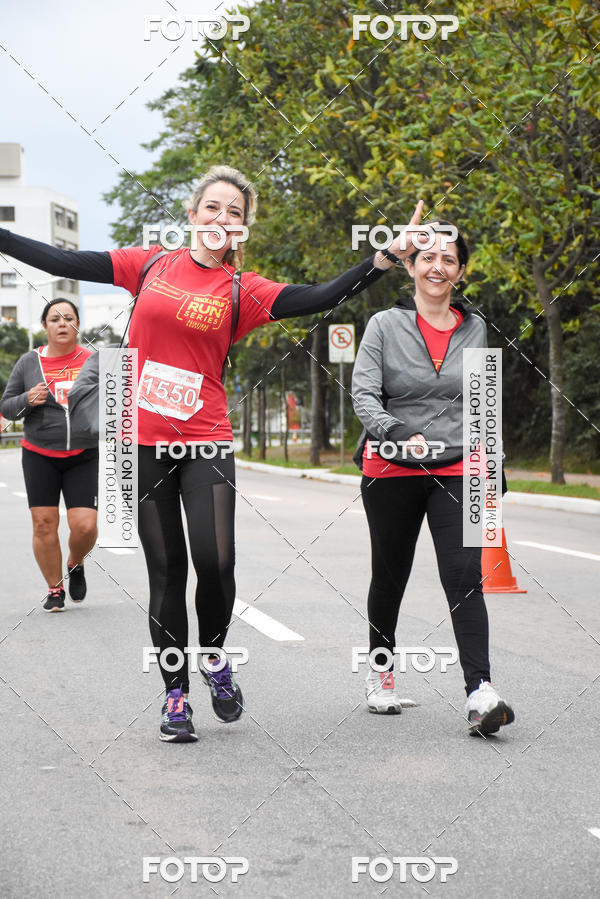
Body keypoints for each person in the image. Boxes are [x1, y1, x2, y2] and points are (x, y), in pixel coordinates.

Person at [0, 166, 426, 742]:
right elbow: (60, 262)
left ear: (243, 229)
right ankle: (176, 698)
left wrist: (380, 260)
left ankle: (216, 658)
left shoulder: (241, 290)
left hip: (205, 438)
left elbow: (319, 296)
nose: (221, 219)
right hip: (144, 440)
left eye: (234, 214)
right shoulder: (147, 264)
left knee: (216, 564)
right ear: (193, 214)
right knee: (167, 571)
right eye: (212, 208)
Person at [351, 222, 514, 736]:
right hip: (391, 466)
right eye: (427, 257)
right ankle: (382, 673)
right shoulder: (383, 325)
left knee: (465, 575)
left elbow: (484, 403)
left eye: (449, 259)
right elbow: (364, 396)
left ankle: (480, 693)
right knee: (391, 574)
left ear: (460, 271)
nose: (437, 266)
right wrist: (396, 430)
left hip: (458, 466)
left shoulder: (475, 327)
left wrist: (495, 466)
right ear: (411, 266)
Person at [0, 299, 98, 611]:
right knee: (44, 523)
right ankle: (55, 588)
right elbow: (6, 407)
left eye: (69, 318)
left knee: (84, 525)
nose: (62, 323)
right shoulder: (29, 363)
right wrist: (28, 399)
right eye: (55, 318)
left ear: (78, 325)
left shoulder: (94, 361)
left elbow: (115, 405)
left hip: (84, 454)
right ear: (45, 326)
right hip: (39, 454)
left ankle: (75, 562)